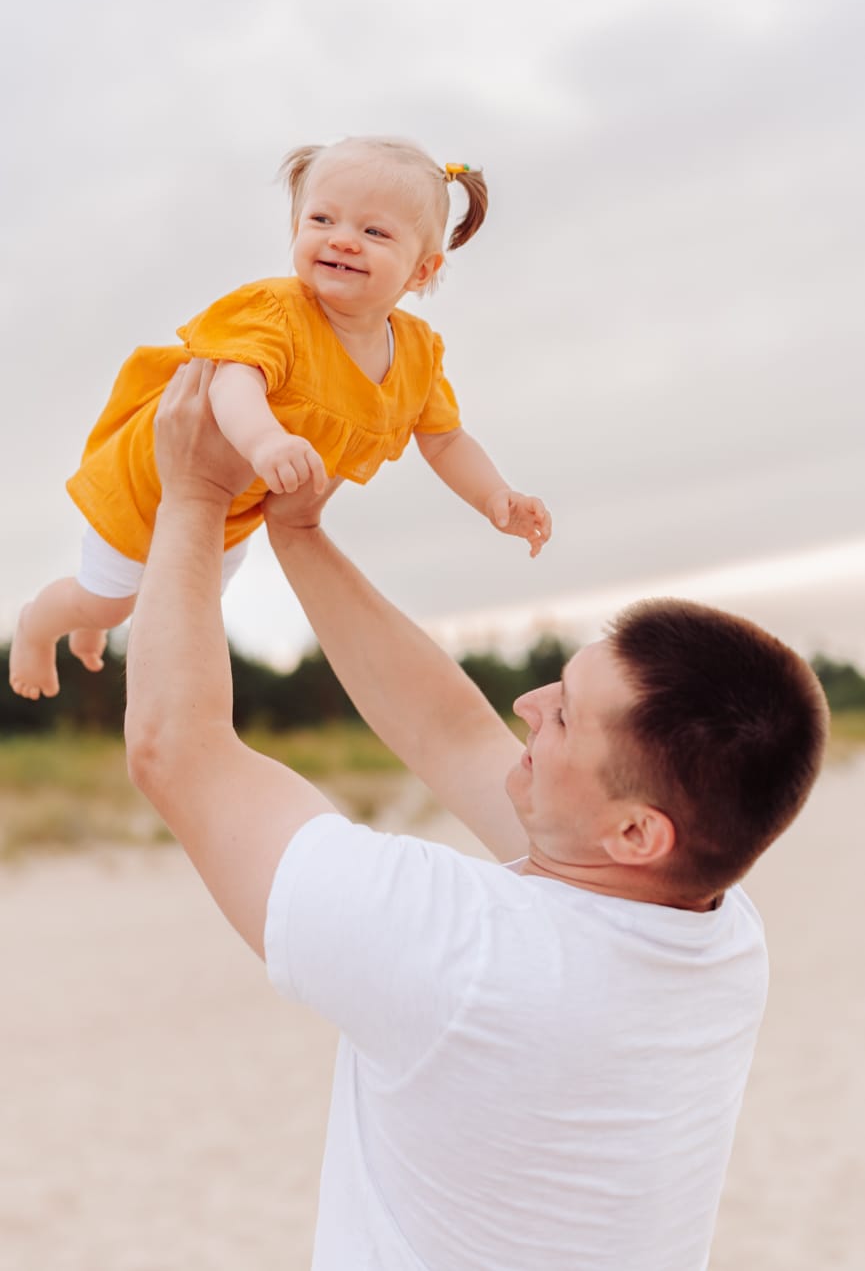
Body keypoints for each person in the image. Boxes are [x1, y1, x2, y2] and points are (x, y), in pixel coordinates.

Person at [125, 362, 828, 1271]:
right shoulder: (717, 935)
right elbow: (452, 734)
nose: (528, 706)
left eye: (564, 715)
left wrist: (191, 497)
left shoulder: (466, 957)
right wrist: (299, 536)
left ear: (634, 833)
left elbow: (178, 753)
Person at [10, 136, 550, 700]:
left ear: (422, 269)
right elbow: (233, 384)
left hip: (229, 512)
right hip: (148, 488)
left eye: (374, 231)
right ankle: (38, 625)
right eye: (322, 219)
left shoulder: (416, 353)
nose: (342, 239)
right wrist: (266, 440)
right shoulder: (278, 313)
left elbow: (445, 440)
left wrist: (495, 496)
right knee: (104, 600)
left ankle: (99, 620)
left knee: (185, 609)